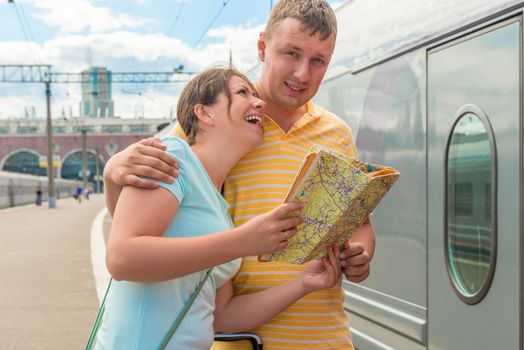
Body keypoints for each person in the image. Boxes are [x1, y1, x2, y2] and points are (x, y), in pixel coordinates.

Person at [103, 1, 375, 348]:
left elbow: (361, 224)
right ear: (263, 47)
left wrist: (359, 254)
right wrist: (113, 172)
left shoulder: (337, 134)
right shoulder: (214, 128)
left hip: (327, 338)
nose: (302, 74)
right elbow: (135, 219)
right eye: (291, 53)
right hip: (242, 341)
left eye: (318, 60)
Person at [95, 67, 343, 349]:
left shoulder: (220, 212)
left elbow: (222, 318)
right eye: (242, 93)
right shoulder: (171, 157)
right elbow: (122, 258)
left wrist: (304, 283)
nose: (259, 103)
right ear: (204, 113)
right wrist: (243, 242)